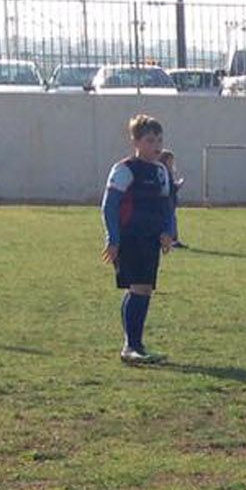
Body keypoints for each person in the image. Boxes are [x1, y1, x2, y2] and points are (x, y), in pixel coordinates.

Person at [101, 114, 178, 365]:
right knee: (140, 288)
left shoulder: (160, 172)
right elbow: (110, 206)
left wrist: (169, 232)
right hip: (129, 238)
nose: (156, 145)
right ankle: (131, 346)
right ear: (136, 141)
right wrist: (112, 238)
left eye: (159, 139)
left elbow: (167, 205)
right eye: (150, 140)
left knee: (142, 289)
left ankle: (133, 344)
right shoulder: (124, 169)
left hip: (150, 239)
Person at [160, 150, 189, 248]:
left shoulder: (166, 171)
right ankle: (171, 240)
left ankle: (172, 239)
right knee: (169, 219)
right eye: (170, 160)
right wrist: (178, 185)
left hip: (170, 200)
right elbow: (169, 188)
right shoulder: (164, 171)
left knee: (172, 219)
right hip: (167, 200)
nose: (172, 163)